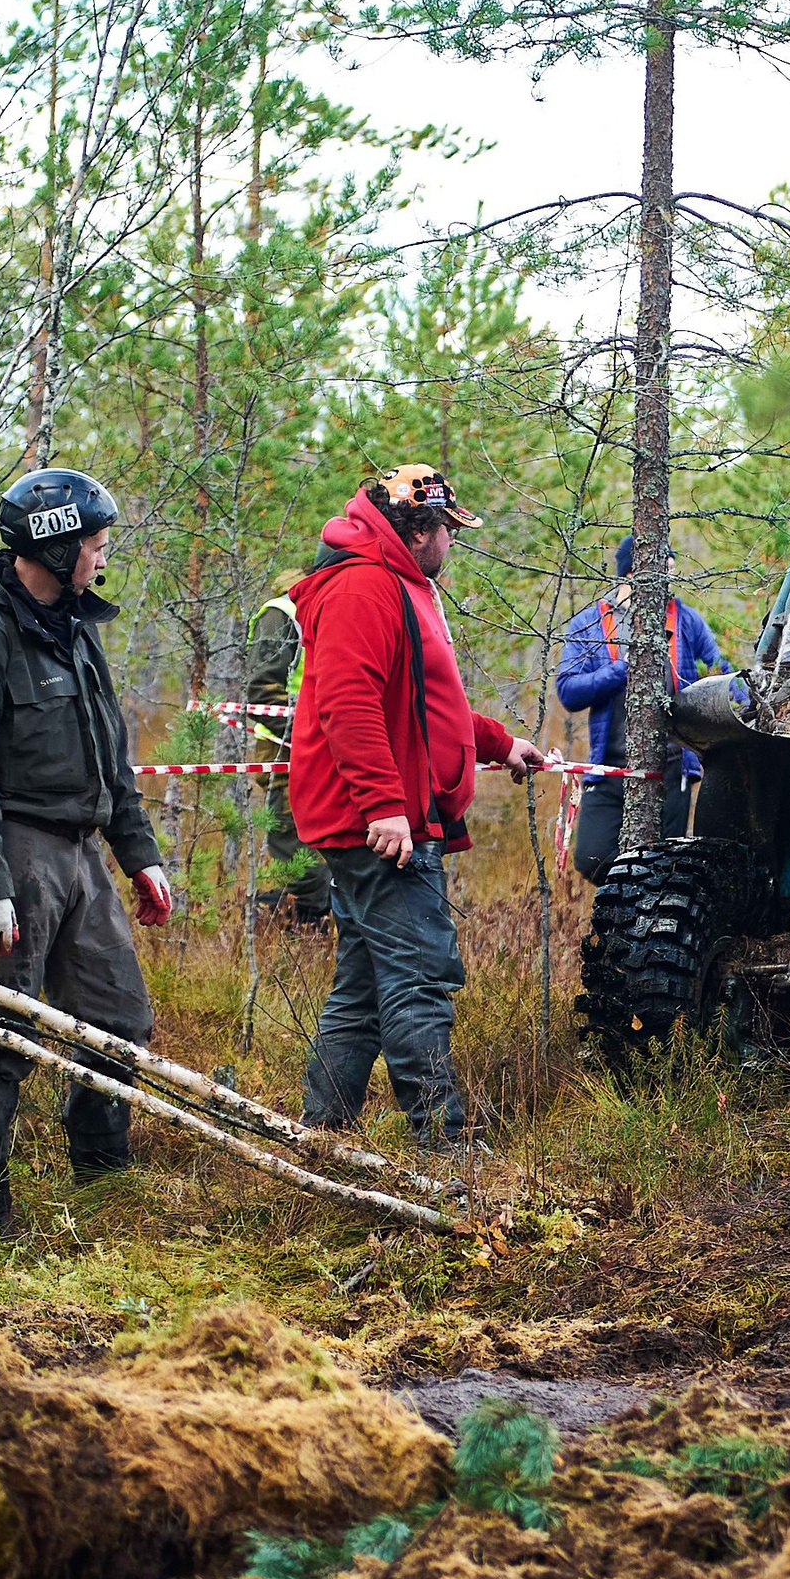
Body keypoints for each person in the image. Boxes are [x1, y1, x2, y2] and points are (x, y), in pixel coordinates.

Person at [0, 468, 174, 1237]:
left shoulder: (75, 626)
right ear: (57, 545)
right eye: (95, 546)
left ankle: (101, 1179)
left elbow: (113, 753)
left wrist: (138, 852)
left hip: (81, 855)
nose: (102, 558)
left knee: (120, 1021)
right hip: (13, 852)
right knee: (2, 1030)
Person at [287, 464, 547, 1142]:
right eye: (449, 532)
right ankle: (442, 1146)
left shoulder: (399, 583)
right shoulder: (364, 586)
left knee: (366, 987)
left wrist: (499, 743)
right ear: (421, 530)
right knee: (420, 980)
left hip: (390, 816)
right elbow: (348, 703)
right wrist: (383, 807)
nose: (453, 544)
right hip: (379, 825)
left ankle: (322, 1134)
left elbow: (428, 705)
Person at [555, 533, 729, 883]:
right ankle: (621, 909)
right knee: (593, 858)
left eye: (672, 571)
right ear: (632, 573)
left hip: (670, 768)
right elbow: (568, 691)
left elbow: (721, 669)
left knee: (664, 868)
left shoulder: (685, 619)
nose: (671, 581)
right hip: (608, 767)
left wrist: (747, 694)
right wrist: (621, 671)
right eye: (663, 571)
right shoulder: (590, 623)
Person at [245, 568, 330, 923]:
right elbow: (262, 692)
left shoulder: (338, 607)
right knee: (300, 861)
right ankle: (300, 944)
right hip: (288, 757)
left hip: (336, 757)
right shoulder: (283, 613)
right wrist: (314, 734)